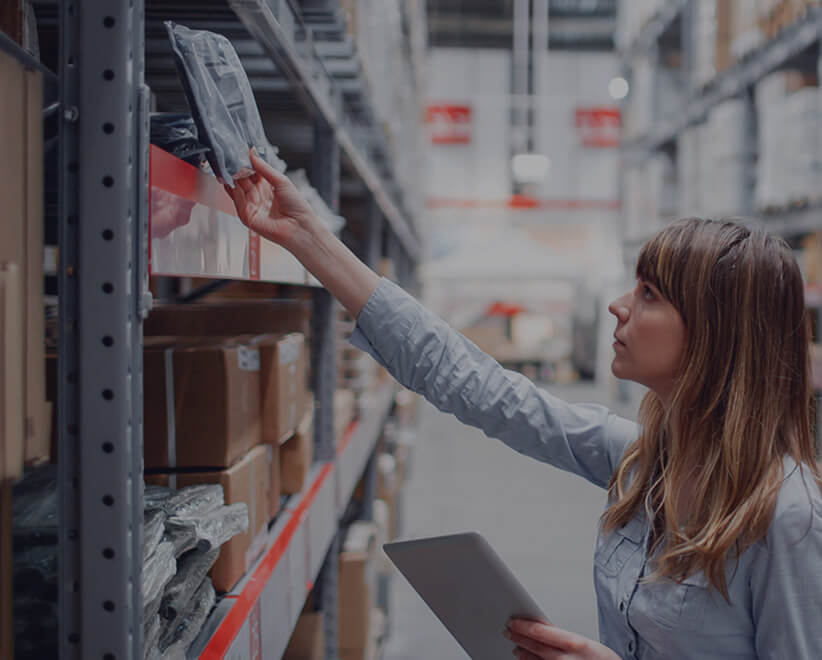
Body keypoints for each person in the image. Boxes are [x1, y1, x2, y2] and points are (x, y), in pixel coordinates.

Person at [225, 149, 822, 659]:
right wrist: (307, 236)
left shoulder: (787, 519)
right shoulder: (643, 465)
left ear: (715, 333)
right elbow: (480, 387)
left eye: (649, 294)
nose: (618, 306)